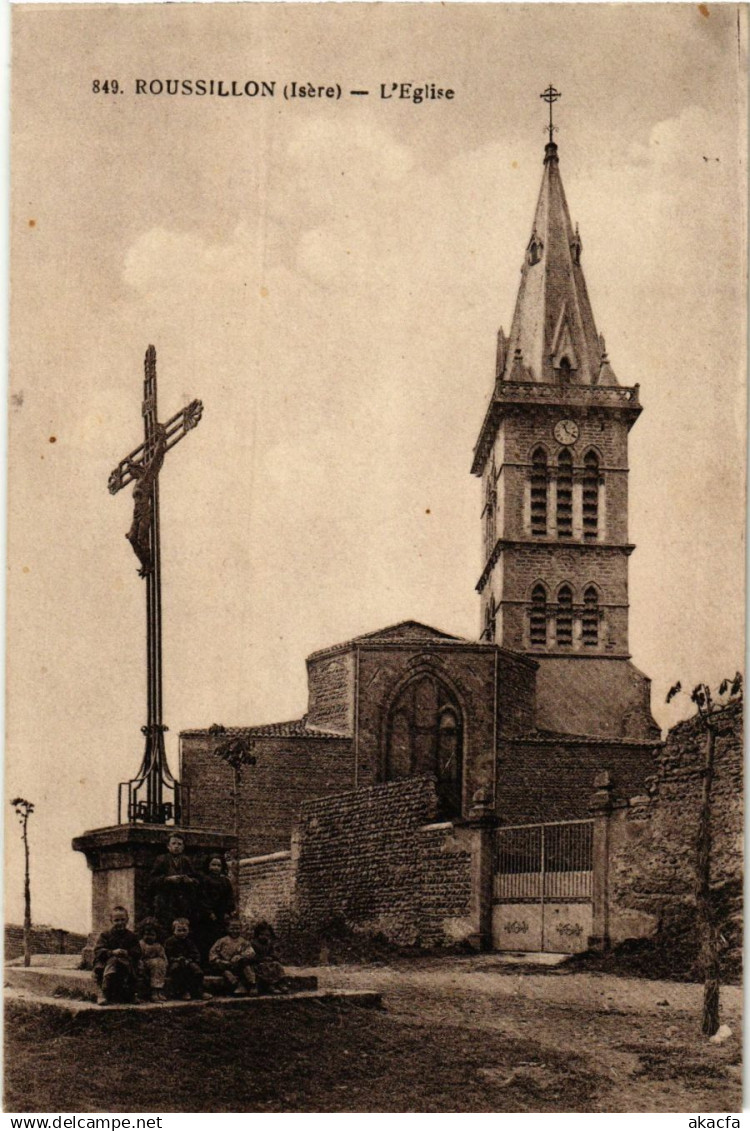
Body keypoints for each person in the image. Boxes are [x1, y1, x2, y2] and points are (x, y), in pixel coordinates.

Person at [149, 833, 200, 935]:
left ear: (183, 847)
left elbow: (197, 880)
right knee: (165, 929)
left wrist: (189, 881)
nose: (176, 846)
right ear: (168, 846)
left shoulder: (186, 861)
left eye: (179, 844)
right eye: (173, 843)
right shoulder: (162, 859)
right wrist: (167, 879)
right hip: (166, 901)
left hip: (183, 902)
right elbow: (152, 880)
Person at [92, 905, 141, 1005]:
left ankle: (131, 994)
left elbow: (138, 951)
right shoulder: (105, 935)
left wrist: (127, 952)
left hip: (125, 962)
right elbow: (98, 951)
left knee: (134, 969)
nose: (120, 923)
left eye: (123, 920)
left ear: (127, 920)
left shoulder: (132, 936)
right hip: (107, 962)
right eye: (117, 920)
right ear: (111, 921)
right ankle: (103, 993)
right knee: (109, 965)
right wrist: (112, 952)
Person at [197, 855, 235, 964]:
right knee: (207, 939)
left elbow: (229, 897)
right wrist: (209, 912)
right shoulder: (204, 880)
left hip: (221, 914)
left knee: (220, 938)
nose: (216, 868)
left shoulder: (225, 881)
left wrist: (229, 910)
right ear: (208, 866)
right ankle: (206, 962)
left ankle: (219, 963)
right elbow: (202, 898)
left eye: (219, 865)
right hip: (207, 915)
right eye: (213, 865)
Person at [164, 917, 211, 1001]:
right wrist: (177, 959)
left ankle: (198, 992)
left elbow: (196, 954)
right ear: (173, 931)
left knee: (197, 971)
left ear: (188, 930)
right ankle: (183, 992)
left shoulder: (189, 942)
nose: (182, 933)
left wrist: (189, 960)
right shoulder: (169, 942)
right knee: (177, 970)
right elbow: (167, 955)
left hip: (188, 961)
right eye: (179, 930)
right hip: (175, 962)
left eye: (184, 930)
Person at [208, 917, 256, 996]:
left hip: (238, 965)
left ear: (241, 929)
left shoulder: (243, 941)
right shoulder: (222, 941)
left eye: (237, 929)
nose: (235, 931)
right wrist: (218, 960)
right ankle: (237, 985)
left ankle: (252, 985)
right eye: (232, 929)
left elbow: (251, 952)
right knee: (227, 973)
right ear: (227, 929)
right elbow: (213, 952)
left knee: (246, 967)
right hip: (226, 965)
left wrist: (241, 956)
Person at [251, 921, 287, 995]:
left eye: (267, 935)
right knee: (264, 967)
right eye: (262, 934)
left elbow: (272, 953)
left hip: (268, 962)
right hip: (258, 963)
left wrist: (273, 956)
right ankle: (271, 986)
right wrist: (262, 958)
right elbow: (252, 956)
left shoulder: (269, 943)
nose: (265, 937)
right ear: (257, 934)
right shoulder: (253, 943)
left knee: (277, 965)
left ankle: (280, 983)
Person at [137, 917, 167, 1003]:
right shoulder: (141, 944)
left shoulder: (158, 946)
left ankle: (159, 991)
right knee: (156, 963)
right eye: (146, 934)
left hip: (157, 967)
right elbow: (138, 957)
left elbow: (163, 957)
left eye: (152, 935)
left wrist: (164, 963)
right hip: (144, 965)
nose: (149, 937)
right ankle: (154, 992)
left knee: (159, 963)